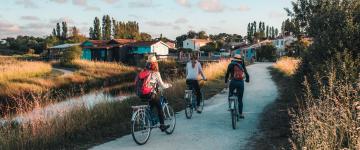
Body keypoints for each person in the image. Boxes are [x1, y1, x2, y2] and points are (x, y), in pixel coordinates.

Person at [144, 55, 171, 131]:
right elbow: (162, 85)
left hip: (142, 93)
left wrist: (156, 88)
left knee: (151, 105)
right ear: (155, 63)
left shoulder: (145, 72)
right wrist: (168, 85)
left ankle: (149, 121)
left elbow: (150, 84)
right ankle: (162, 125)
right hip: (151, 94)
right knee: (159, 107)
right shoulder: (156, 73)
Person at [225, 54, 250, 119]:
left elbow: (227, 74)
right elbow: (246, 73)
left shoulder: (231, 64)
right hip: (240, 83)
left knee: (230, 94)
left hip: (233, 82)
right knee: (240, 99)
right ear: (240, 59)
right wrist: (247, 79)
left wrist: (225, 82)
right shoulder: (241, 64)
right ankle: (241, 114)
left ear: (234, 58)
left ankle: (230, 106)